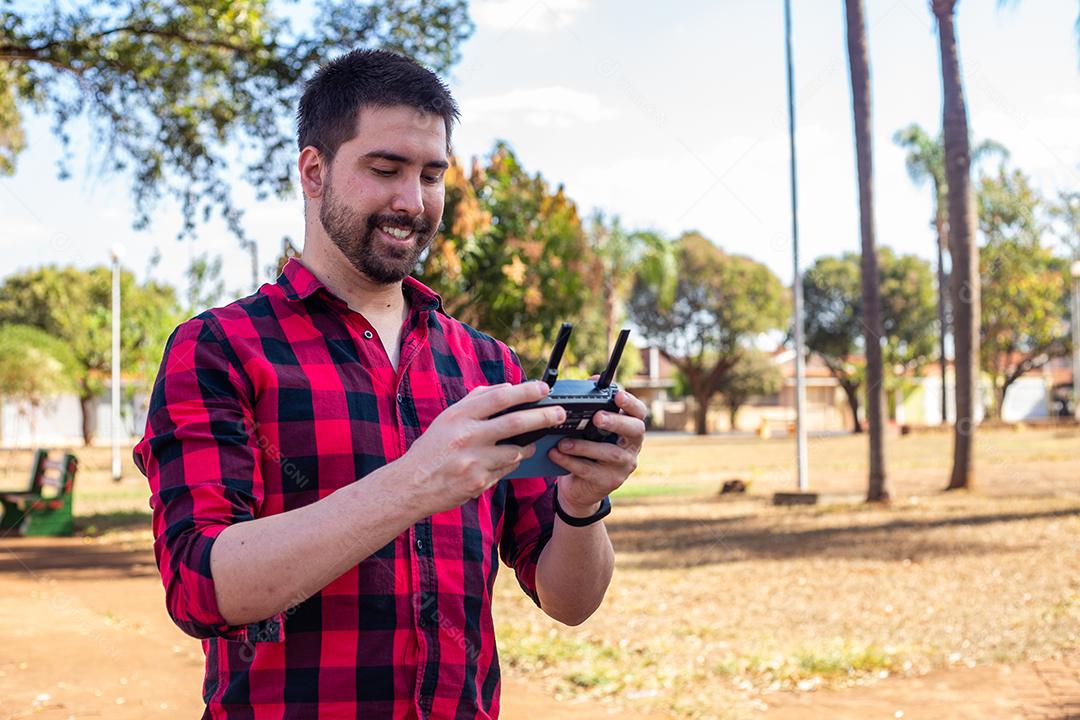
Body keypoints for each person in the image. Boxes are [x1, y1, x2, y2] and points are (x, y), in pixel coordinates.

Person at [134, 49, 646, 719]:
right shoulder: (219, 349)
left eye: (432, 175)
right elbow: (201, 586)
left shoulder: (487, 366)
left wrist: (583, 502)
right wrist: (416, 481)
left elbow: (569, 601)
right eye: (385, 170)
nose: (413, 201)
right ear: (314, 172)